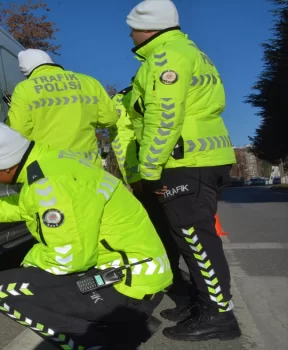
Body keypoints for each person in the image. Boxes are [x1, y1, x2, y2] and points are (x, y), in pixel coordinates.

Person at [0, 120, 173, 349]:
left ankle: (102, 342)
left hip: (128, 285)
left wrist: (30, 263)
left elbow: (68, 258)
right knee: (33, 277)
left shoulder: (50, 186)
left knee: (0, 290)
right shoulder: (51, 161)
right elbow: (22, 205)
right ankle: (125, 329)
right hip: (142, 271)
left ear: (6, 164)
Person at [124, 0, 241, 341]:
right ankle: (201, 301)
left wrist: (149, 170)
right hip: (205, 157)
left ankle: (219, 316)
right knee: (190, 236)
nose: (129, 35)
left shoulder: (165, 57)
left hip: (185, 160)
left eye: (132, 28)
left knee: (195, 239)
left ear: (148, 28)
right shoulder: (191, 50)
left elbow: (163, 116)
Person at [110, 83, 190, 297]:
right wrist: (135, 177)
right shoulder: (124, 98)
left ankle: (181, 284)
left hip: (176, 170)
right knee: (164, 231)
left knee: (179, 233)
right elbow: (123, 140)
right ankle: (175, 283)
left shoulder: (169, 87)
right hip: (152, 176)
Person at [5, 48, 117, 168]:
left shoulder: (24, 89)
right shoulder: (89, 82)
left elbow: (18, 131)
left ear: (26, 71)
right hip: (88, 165)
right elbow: (109, 118)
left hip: (49, 167)